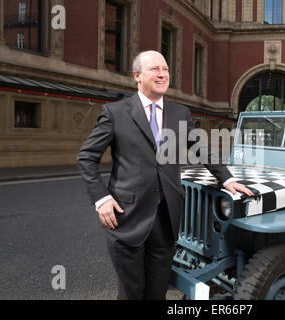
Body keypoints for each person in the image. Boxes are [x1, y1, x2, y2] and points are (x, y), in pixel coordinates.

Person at [77, 50, 253, 300]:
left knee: (157, 292)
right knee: (131, 293)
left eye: (166, 69)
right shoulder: (115, 113)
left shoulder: (180, 113)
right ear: (137, 76)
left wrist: (227, 178)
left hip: (166, 219)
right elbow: (86, 157)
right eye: (154, 69)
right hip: (126, 218)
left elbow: (200, 148)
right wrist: (102, 199)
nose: (162, 74)